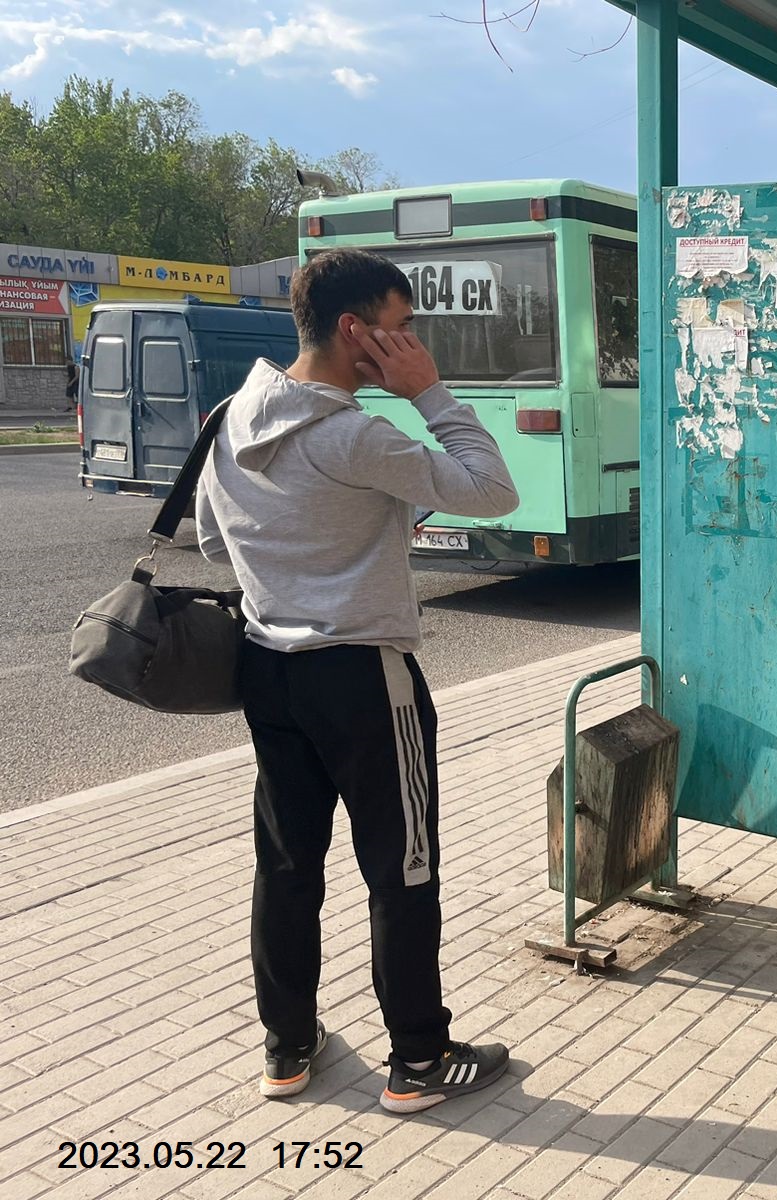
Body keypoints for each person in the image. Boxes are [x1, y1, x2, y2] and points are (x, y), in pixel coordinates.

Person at [196, 249, 519, 1110]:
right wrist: (429, 393)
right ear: (354, 329)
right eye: (402, 327)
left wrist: (304, 556)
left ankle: (286, 1050)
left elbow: (214, 543)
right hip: (366, 677)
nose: (412, 342)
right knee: (402, 867)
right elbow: (493, 490)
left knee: (286, 865)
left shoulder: (230, 416)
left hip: (269, 669)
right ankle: (418, 1059)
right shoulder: (357, 433)